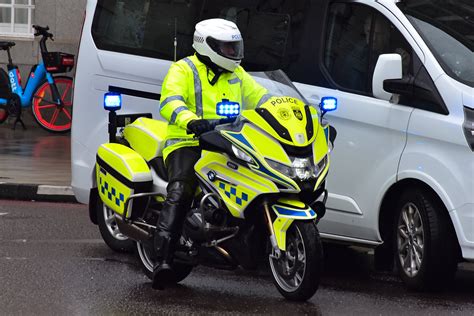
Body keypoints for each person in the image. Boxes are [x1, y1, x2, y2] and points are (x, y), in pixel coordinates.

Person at [153, 18, 269, 289]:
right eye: (227, 48)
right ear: (208, 46)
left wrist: (283, 110)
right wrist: (191, 121)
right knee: (181, 190)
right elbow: (169, 101)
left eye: (234, 47)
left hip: (227, 143)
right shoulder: (183, 69)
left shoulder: (237, 75)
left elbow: (261, 97)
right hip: (187, 142)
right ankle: (163, 259)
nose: (233, 54)